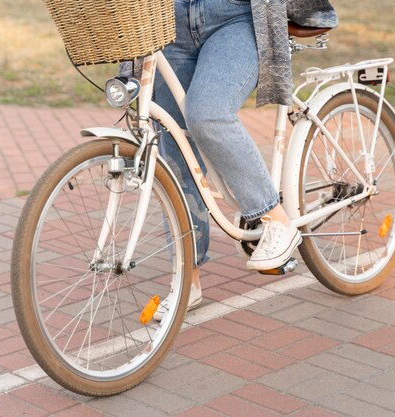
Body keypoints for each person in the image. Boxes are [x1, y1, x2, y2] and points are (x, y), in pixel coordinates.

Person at [139, 0, 338, 320]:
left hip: (235, 16)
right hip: (166, 18)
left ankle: (276, 220)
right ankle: (187, 280)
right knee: (174, 144)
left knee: (208, 115)